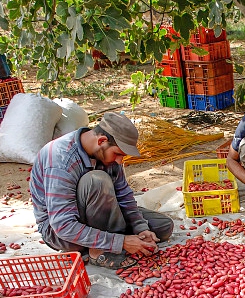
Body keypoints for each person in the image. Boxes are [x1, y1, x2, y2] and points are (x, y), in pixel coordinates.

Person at [30, 112, 172, 269]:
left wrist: (141, 228)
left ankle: (107, 239)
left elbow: (123, 195)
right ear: (102, 141)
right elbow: (63, 225)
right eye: (118, 154)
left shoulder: (105, 153)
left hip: (98, 213)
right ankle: (97, 251)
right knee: (97, 181)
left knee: (163, 227)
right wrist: (121, 242)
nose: (119, 161)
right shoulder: (61, 161)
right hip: (59, 231)